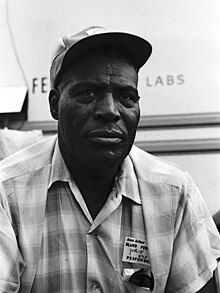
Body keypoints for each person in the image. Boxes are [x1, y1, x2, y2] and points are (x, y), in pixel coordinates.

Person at [0, 26, 219, 293]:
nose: (109, 111)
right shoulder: (8, 190)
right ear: (55, 104)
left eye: (126, 97)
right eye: (88, 93)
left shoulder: (173, 192)